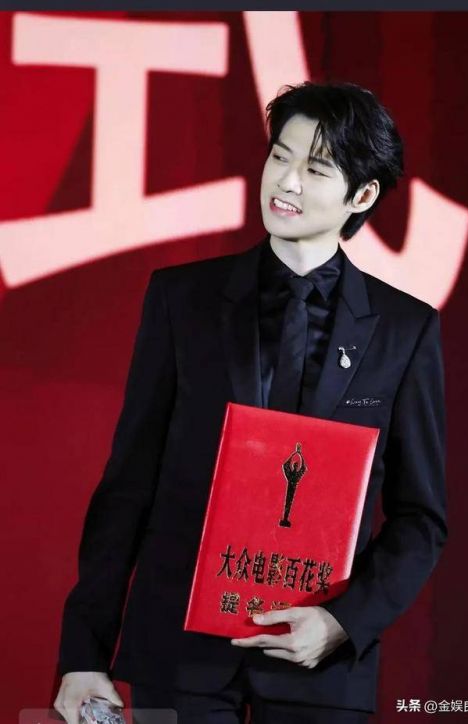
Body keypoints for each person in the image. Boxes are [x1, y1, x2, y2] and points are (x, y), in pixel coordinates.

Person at [54, 81, 447, 724]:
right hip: (179, 658)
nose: (285, 182)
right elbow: (128, 485)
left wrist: (343, 623)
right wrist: (82, 653)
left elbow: (420, 518)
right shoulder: (182, 300)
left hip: (317, 670)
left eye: (315, 169)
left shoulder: (404, 330)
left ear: (362, 196)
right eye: (279, 157)